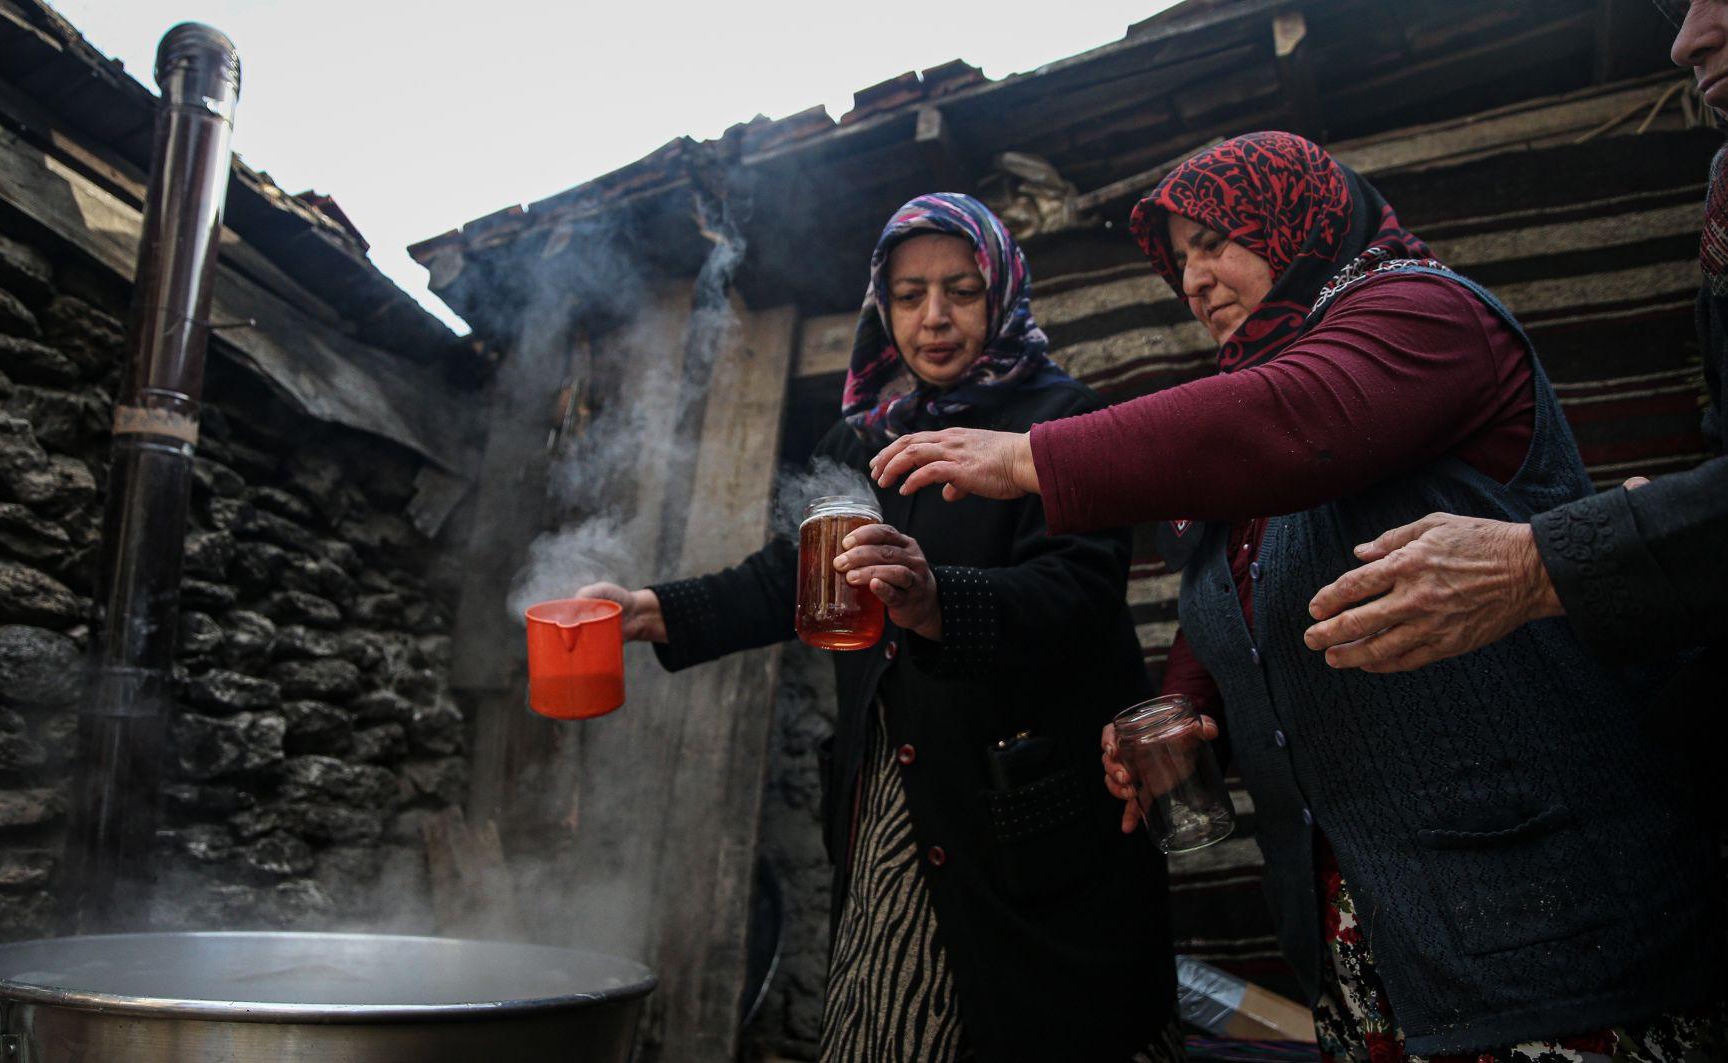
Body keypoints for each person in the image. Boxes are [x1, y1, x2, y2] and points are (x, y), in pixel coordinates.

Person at [871, 133, 1728, 1059]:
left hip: (1544, 903)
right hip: (1364, 924)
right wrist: (1190, 709)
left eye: (1215, 240)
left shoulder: (1421, 313)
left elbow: (1295, 421)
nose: (1193, 277)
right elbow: (1244, 584)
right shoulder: (1247, 402)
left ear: (1297, 220)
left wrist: (1026, 452)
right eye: (1180, 256)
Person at [578, 193, 1179, 1062]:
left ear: (1003, 291)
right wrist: (658, 609)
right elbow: (792, 573)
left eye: (962, 290)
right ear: (882, 305)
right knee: (890, 1024)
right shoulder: (863, 435)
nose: (933, 317)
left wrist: (938, 601)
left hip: (1029, 795)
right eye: (909, 294)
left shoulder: (1059, 419)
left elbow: (1078, 593)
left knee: (1064, 1016)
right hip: (896, 795)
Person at [1300, 0, 1727, 703]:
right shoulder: (1726, 198)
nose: (1685, 42)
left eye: (1219, 244)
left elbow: (1274, 419)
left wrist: (1542, 563)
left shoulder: (1422, 307)